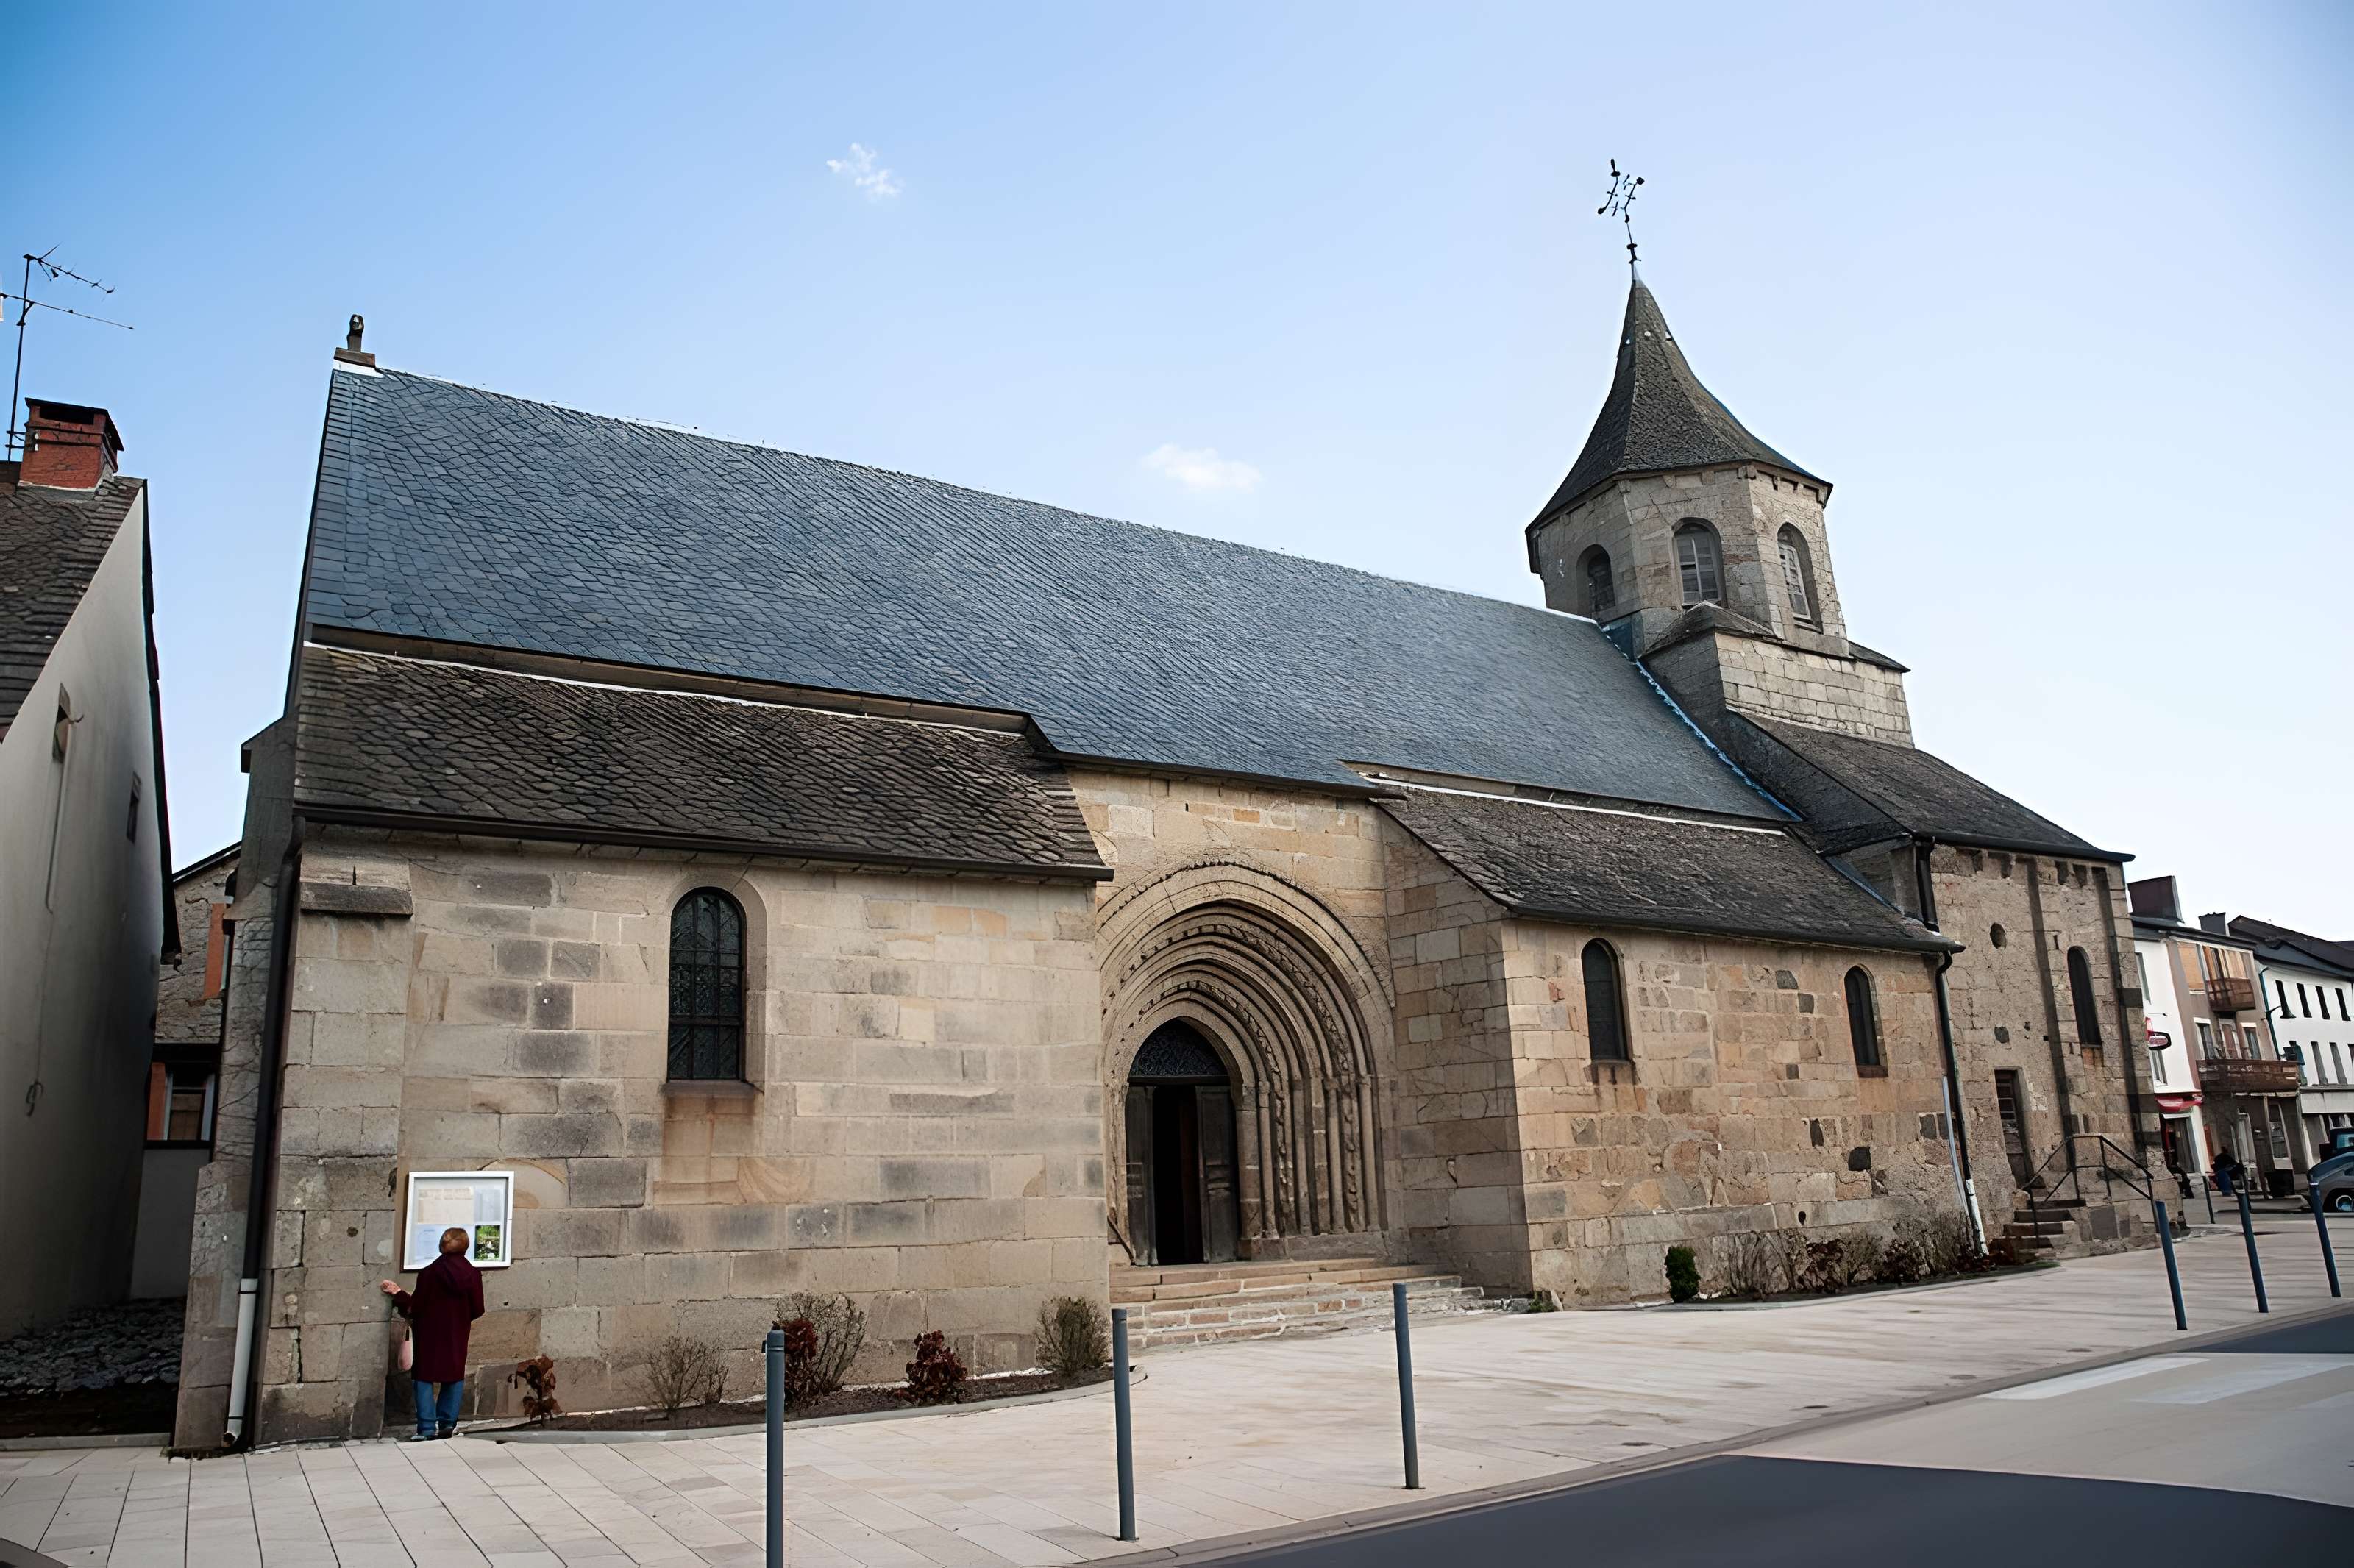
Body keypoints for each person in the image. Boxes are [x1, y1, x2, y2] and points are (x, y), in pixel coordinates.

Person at [381, 1227, 486, 1440]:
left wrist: (399, 1295)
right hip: (457, 1331)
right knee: (454, 1374)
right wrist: (460, 1319)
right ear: (465, 1247)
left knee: (424, 1377)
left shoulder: (430, 1273)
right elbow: (478, 1309)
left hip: (430, 1331)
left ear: (442, 1246)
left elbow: (417, 1307)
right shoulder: (473, 1274)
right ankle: (448, 1424)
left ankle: (427, 1428)